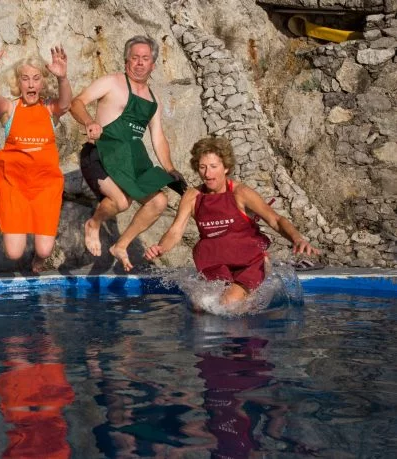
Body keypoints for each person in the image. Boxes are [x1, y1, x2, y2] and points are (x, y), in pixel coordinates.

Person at [145, 137, 320, 308]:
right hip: (215, 263)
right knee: (199, 306)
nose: (207, 173)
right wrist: (161, 248)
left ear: (226, 167)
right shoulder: (192, 196)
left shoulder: (240, 193)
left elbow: (276, 220)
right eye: (202, 167)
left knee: (228, 304)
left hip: (247, 262)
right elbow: (176, 231)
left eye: (213, 167)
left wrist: (297, 239)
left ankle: (261, 286)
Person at [69, 35, 187, 272]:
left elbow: (158, 137)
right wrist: (89, 122)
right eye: (135, 58)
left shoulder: (153, 101)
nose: (140, 63)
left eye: (145, 59)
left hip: (131, 159)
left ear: (153, 64)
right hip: (101, 153)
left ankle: (120, 245)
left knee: (159, 201)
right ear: (126, 61)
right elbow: (77, 102)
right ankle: (94, 224)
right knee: (120, 201)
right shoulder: (112, 82)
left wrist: (170, 168)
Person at [0, 43, 72, 273]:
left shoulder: (50, 110)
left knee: (43, 250)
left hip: (45, 187)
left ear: (43, 82)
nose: (31, 84)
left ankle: (39, 261)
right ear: (17, 83)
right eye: (25, 79)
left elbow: (66, 103)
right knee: (14, 253)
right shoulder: (10, 109)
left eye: (36, 78)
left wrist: (63, 78)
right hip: (15, 188)